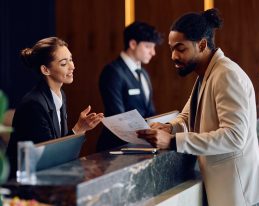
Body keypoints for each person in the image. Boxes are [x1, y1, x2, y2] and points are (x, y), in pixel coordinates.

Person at [137, 9, 259, 206]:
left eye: (180, 49)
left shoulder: (226, 75)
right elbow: (188, 115)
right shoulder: (206, 74)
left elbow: (234, 136)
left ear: (202, 44)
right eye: (172, 49)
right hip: (225, 191)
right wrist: (169, 127)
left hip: (240, 196)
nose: (173, 56)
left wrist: (173, 142)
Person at [6, 37, 104, 178]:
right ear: (45, 70)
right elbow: (51, 157)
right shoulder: (34, 104)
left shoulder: (60, 94)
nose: (72, 66)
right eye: (64, 63)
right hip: (24, 183)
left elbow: (56, 148)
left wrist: (80, 129)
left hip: (47, 176)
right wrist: (78, 129)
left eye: (70, 59)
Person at [97, 21, 163, 152]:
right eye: (148, 47)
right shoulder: (112, 71)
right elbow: (117, 115)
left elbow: (150, 111)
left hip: (142, 146)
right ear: (133, 44)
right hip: (116, 147)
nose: (153, 52)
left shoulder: (143, 73)